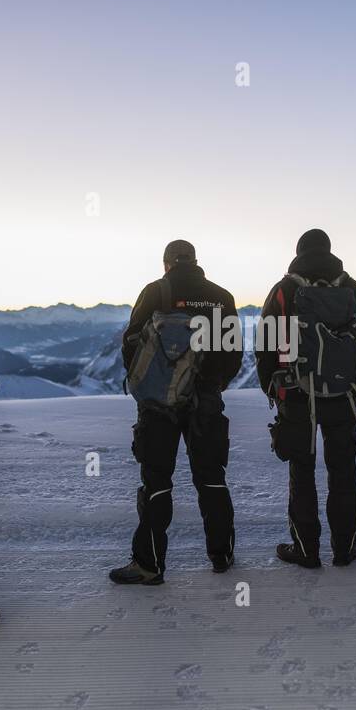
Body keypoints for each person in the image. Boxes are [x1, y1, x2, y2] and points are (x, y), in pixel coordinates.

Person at [110, 240, 242, 584]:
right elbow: (234, 353)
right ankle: (221, 555)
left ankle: (149, 565)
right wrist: (213, 385)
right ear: (196, 261)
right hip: (207, 403)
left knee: (157, 482)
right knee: (212, 478)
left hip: (158, 406)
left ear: (166, 263)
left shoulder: (156, 292)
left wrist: (150, 385)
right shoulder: (221, 296)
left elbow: (131, 344)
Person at [257, 229, 356, 569]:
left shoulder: (286, 290)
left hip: (297, 395)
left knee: (302, 471)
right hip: (344, 397)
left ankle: (305, 549)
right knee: (343, 471)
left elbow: (266, 343)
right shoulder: (353, 289)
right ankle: (345, 549)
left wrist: (272, 387)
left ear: (299, 252)